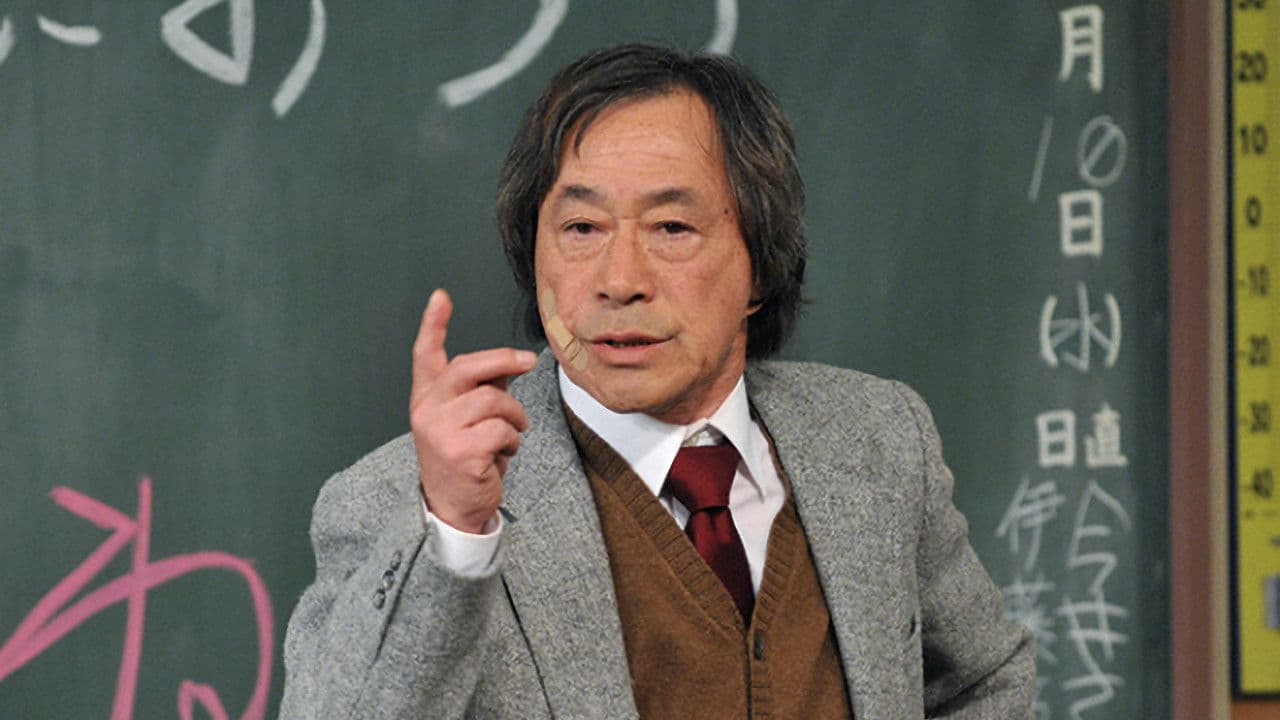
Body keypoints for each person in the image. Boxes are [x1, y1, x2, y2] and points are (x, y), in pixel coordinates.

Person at [280, 44, 1034, 719]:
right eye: (581, 229)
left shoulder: (876, 439)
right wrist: (454, 536)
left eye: (672, 228)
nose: (620, 280)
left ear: (760, 265)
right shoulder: (399, 504)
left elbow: (983, 683)